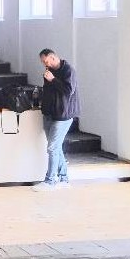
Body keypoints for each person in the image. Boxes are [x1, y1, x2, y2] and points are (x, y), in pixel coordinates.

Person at [33, 49, 80, 191]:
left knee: (52, 147)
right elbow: (49, 91)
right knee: (56, 147)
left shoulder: (68, 70)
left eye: (46, 61)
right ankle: (64, 178)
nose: (44, 64)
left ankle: (50, 180)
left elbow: (68, 91)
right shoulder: (49, 71)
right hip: (49, 113)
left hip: (63, 115)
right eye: (43, 62)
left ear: (53, 58)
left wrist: (52, 79)